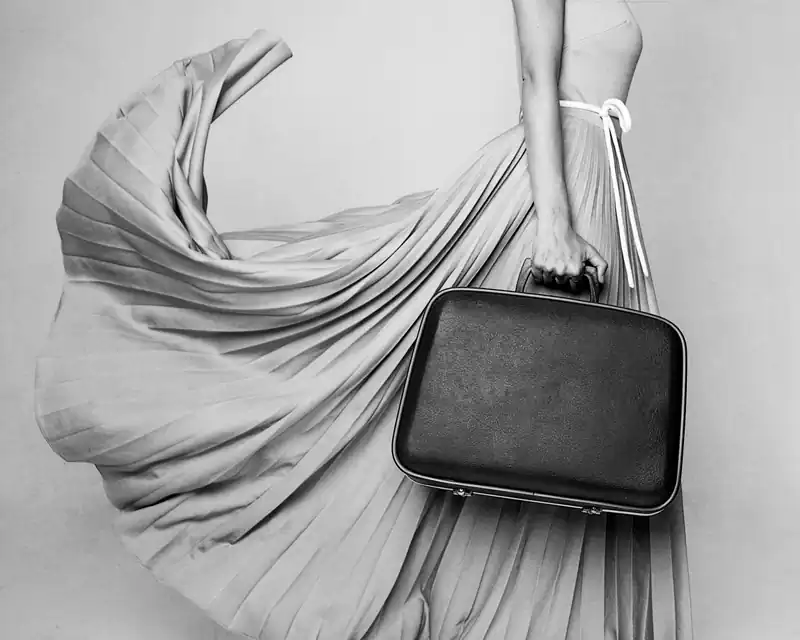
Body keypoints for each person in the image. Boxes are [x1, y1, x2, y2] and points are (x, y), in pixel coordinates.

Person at [35, 1, 692, 638]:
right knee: (515, 400)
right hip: (554, 193)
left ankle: (531, 615)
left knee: (562, 410)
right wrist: (554, 225)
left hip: (593, 177)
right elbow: (535, 78)